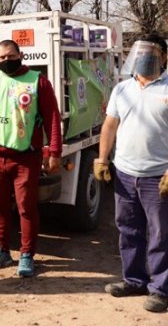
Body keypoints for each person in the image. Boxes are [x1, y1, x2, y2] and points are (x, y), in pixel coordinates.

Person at [0, 39, 62, 277]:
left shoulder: (38, 82)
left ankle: (27, 254)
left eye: (11, 56)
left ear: (21, 55)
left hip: (25, 157)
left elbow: (52, 118)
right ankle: (1, 250)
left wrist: (54, 152)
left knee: (26, 208)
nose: (7, 61)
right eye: (2, 58)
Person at [95, 34, 168, 313]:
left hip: (158, 176)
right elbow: (110, 126)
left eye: (152, 52)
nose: (145, 57)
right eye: (141, 52)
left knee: (161, 234)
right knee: (128, 229)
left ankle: (161, 289)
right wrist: (102, 159)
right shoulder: (122, 89)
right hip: (125, 172)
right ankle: (134, 280)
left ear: (164, 57)